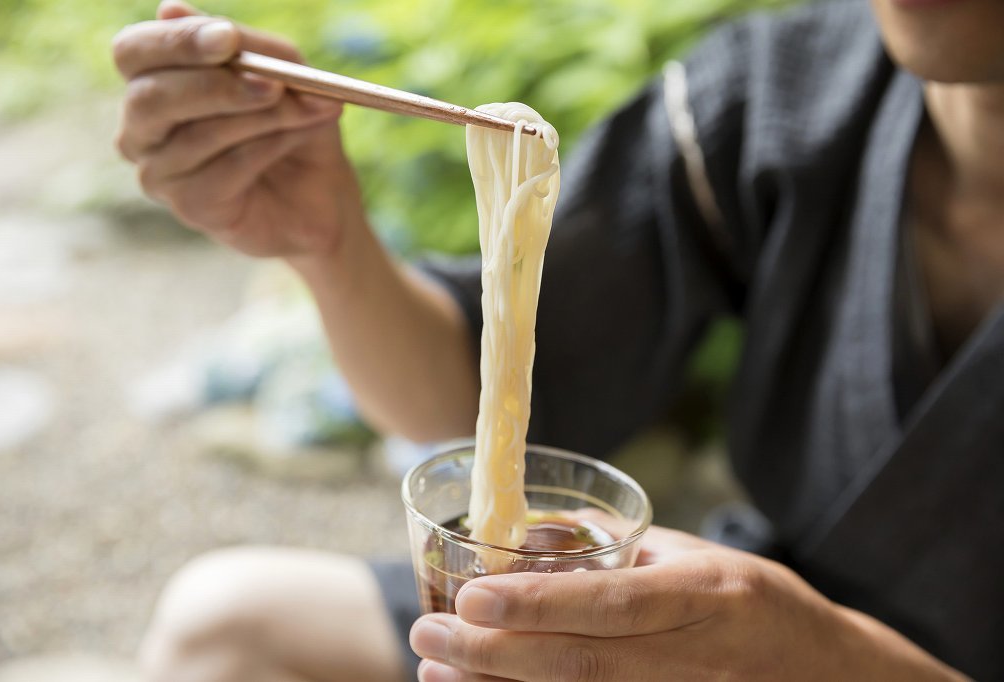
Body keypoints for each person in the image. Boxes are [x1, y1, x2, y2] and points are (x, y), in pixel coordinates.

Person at [112, 0, 1003, 678]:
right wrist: (326, 240)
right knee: (224, 620)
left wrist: (828, 657)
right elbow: (460, 393)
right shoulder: (792, 93)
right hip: (732, 653)